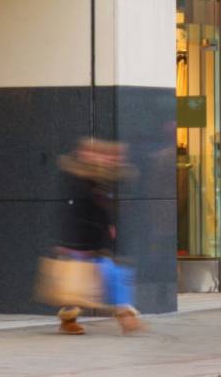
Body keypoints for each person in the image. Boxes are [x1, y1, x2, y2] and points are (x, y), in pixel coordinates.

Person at [55, 138, 142, 335]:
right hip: (78, 238)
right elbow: (73, 210)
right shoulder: (75, 176)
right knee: (76, 283)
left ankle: (125, 314)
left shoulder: (107, 178)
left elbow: (109, 208)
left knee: (112, 273)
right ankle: (69, 320)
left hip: (99, 237)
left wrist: (110, 224)